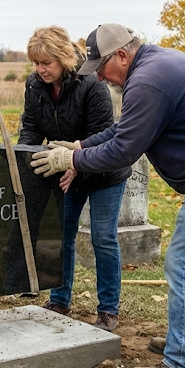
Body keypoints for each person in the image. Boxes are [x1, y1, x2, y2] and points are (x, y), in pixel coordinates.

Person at [31, 23, 185, 368]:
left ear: (122, 56)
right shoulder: (153, 67)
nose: (102, 78)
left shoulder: (148, 80)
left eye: (103, 68)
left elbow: (126, 149)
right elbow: (122, 130)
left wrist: (72, 162)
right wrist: (79, 146)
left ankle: (183, 362)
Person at [18, 26, 131, 332]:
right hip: (63, 170)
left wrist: (77, 164)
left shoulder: (91, 85)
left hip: (103, 172)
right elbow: (31, 127)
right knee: (62, 234)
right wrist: (23, 156)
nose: (40, 70)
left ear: (63, 59)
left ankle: (108, 309)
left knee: (103, 238)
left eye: (47, 63)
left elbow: (103, 137)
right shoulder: (35, 86)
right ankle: (59, 300)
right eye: (36, 63)